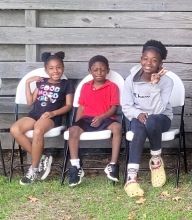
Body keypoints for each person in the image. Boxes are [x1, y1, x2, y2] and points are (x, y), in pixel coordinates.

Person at [10, 51, 74, 185]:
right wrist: (28, 83)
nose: (55, 71)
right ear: (46, 69)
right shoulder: (41, 83)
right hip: (35, 114)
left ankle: (34, 169)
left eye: (58, 67)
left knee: (38, 129)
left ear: (63, 67)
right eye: (51, 68)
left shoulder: (66, 84)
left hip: (51, 118)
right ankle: (43, 157)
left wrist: (53, 113)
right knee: (15, 129)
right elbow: (29, 102)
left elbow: (68, 106)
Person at [122, 40, 174, 197]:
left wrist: (154, 86)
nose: (148, 63)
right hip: (138, 117)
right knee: (138, 126)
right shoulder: (130, 80)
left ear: (160, 63)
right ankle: (131, 177)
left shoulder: (167, 82)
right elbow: (126, 106)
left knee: (150, 120)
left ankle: (156, 161)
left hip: (161, 119)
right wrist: (138, 114)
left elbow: (158, 110)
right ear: (140, 59)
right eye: (145, 58)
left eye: (154, 60)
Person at [66, 55, 122, 187]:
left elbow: (114, 108)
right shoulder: (85, 86)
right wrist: (77, 124)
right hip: (86, 119)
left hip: (106, 117)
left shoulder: (112, 87)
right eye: (95, 70)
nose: (99, 73)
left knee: (118, 128)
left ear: (107, 70)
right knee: (72, 130)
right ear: (90, 71)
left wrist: (102, 117)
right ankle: (75, 166)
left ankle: (113, 165)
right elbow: (82, 107)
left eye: (102, 70)